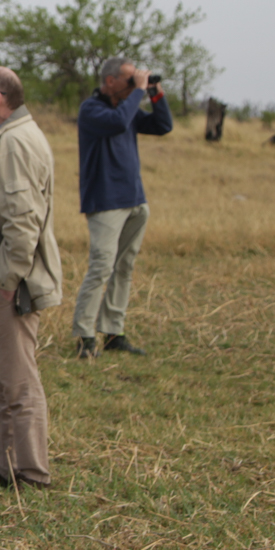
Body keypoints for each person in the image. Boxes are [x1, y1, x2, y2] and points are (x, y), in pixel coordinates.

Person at [0, 66, 62, 490]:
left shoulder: (16, 142)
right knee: (0, 381)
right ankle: (7, 468)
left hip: (8, 284)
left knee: (18, 382)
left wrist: (5, 282)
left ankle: (32, 474)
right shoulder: (7, 137)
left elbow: (23, 223)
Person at [72, 57, 173, 359]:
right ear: (110, 81)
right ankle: (85, 336)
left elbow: (163, 125)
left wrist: (154, 92)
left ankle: (113, 331)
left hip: (134, 199)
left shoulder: (126, 108)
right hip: (105, 201)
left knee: (124, 267)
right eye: (130, 79)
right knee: (101, 267)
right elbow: (116, 124)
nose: (135, 84)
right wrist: (139, 93)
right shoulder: (92, 110)